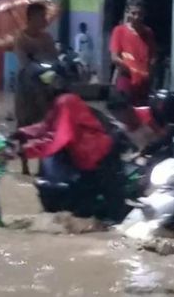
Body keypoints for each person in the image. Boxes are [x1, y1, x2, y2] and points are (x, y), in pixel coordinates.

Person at [12, 61, 127, 223]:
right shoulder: (59, 103)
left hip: (101, 159)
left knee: (116, 217)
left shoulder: (66, 102)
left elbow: (58, 138)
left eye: (38, 88)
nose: (36, 93)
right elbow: (46, 126)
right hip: (86, 162)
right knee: (81, 213)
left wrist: (24, 151)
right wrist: (21, 135)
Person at [13, 2, 58, 175]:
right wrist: (38, 65)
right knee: (24, 125)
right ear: (31, 18)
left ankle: (41, 167)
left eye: (45, 16)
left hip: (45, 87)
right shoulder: (20, 38)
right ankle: (24, 167)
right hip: (26, 87)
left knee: (44, 126)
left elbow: (54, 59)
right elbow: (25, 63)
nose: (44, 20)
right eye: (41, 16)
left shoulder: (47, 38)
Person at [110, 0, 156, 106]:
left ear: (144, 14)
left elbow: (153, 57)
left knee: (143, 112)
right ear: (128, 13)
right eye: (133, 13)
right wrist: (132, 69)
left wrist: (150, 71)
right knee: (125, 109)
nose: (136, 17)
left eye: (140, 14)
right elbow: (114, 57)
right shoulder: (119, 31)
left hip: (144, 81)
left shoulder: (148, 33)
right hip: (126, 78)